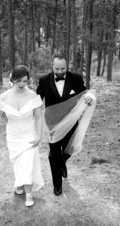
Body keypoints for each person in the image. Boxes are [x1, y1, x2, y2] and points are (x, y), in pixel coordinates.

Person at [36, 52, 94, 196]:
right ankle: (57, 185)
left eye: (63, 69)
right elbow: (37, 99)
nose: (60, 71)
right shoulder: (43, 80)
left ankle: (62, 163)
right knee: (53, 155)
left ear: (66, 66)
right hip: (52, 124)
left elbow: (85, 92)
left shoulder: (76, 78)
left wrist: (89, 97)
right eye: (57, 69)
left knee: (71, 149)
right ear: (52, 66)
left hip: (70, 122)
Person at [0, 65, 44, 207]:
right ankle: (19, 182)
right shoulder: (4, 97)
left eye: (25, 81)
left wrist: (39, 136)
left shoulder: (33, 96)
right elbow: (2, 117)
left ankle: (29, 194)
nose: (23, 84)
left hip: (29, 134)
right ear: (13, 80)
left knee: (28, 163)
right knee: (17, 163)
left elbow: (39, 118)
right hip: (13, 135)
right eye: (20, 81)